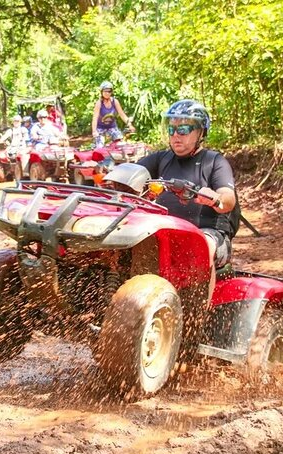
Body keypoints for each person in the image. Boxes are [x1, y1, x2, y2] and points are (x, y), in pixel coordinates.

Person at [137, 99, 237, 302]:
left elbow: (228, 199)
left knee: (202, 245)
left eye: (182, 129)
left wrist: (215, 199)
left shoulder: (214, 161)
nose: (175, 136)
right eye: (171, 129)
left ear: (200, 132)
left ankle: (198, 314)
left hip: (208, 233)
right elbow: (132, 172)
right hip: (165, 232)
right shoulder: (161, 159)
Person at [91, 81, 135, 148]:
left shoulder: (115, 101)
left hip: (112, 126)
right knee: (99, 147)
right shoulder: (99, 103)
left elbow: (122, 114)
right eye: (105, 91)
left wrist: (130, 125)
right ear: (102, 92)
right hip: (100, 128)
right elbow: (95, 118)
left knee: (120, 142)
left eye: (109, 91)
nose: (107, 93)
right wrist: (94, 131)